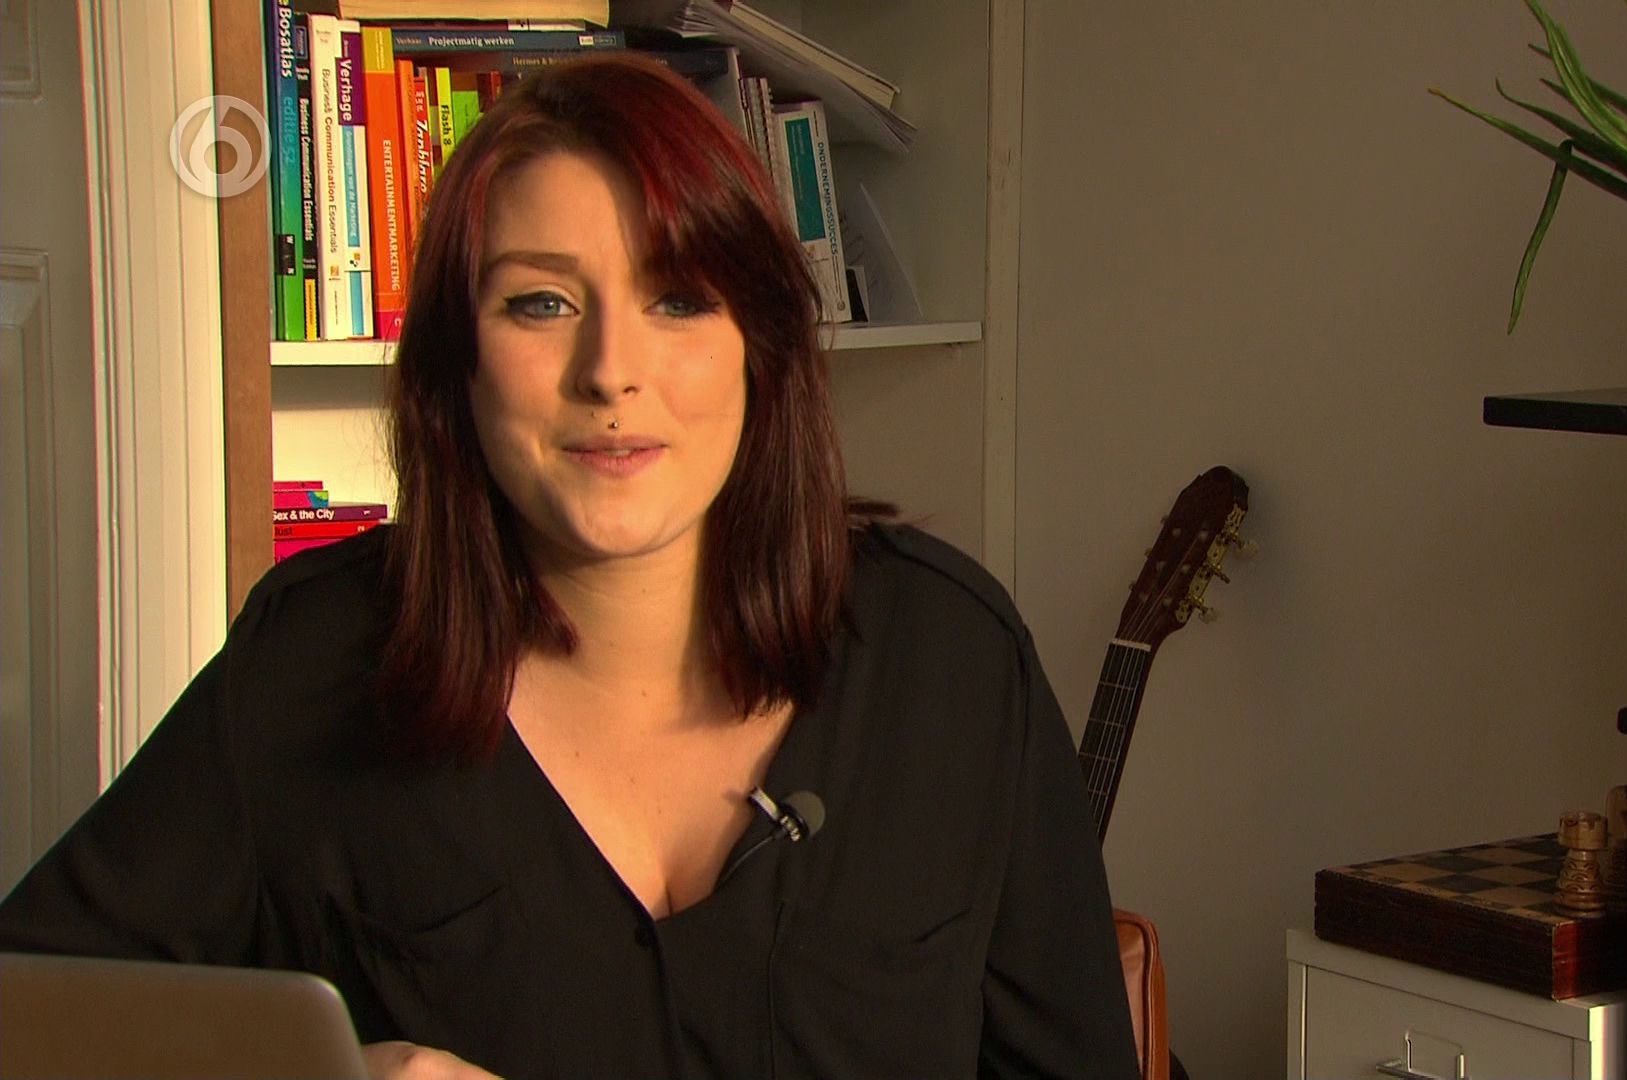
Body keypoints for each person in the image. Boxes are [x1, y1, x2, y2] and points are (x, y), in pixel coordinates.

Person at [0, 53, 1138, 1080]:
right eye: (540, 303)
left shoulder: (950, 657)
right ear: (459, 360)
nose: (610, 371)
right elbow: (34, 1027)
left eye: (679, 299)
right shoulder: (314, 662)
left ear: (760, 349)